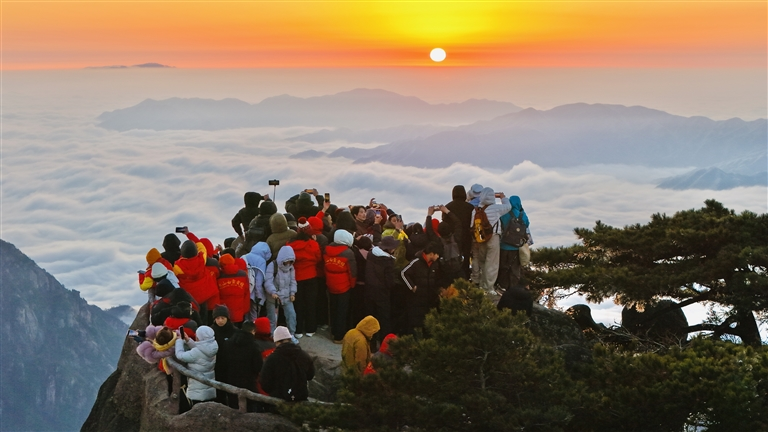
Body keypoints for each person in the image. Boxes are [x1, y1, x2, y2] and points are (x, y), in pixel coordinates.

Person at [470, 187, 511, 295]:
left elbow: (472, 226)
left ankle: (482, 285)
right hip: (493, 237)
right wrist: (503, 197)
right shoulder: (496, 208)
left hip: (480, 239)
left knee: (482, 262)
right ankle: (488, 287)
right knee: (492, 263)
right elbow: (508, 207)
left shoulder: (476, 210)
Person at [259, 326, 315, 403]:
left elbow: (264, 383)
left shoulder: (272, 359)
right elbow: (310, 375)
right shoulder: (304, 355)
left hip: (278, 401)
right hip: (300, 399)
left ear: (277, 342)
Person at [287, 218, 322, 338]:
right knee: (311, 303)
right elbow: (318, 259)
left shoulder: (290, 245)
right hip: (311, 276)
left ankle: (298, 330)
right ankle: (310, 328)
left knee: (298, 304)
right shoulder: (313, 244)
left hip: (295, 277)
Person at [401, 241, 445, 335]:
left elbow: (437, 279)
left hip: (429, 300)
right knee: (415, 325)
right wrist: (413, 287)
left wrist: (439, 289)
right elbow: (403, 273)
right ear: (432, 254)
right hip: (416, 301)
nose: (438, 257)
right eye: (438, 254)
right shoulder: (416, 262)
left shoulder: (435, 264)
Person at [219, 321, 263, 411]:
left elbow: (223, 362)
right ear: (253, 331)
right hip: (248, 382)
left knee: (233, 408)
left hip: (231, 381)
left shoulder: (229, 342)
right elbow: (258, 366)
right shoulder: (254, 346)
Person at [364, 235, 399, 346]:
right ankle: (385, 344)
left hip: (369, 291)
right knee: (384, 320)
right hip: (382, 294)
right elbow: (390, 282)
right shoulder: (388, 261)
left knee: (371, 318)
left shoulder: (370, 254)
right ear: (389, 249)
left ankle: (372, 344)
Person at [324, 229, 357, 343]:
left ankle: (333, 332)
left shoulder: (326, 250)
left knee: (333, 308)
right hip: (344, 286)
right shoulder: (348, 253)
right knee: (342, 311)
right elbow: (352, 272)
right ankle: (339, 336)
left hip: (330, 284)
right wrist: (352, 285)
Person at [174, 325, 218, 407]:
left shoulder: (196, 353)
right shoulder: (212, 347)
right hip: (209, 385)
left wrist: (179, 341)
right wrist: (188, 340)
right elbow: (200, 350)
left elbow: (180, 355)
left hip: (197, 389)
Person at [498, 196, 530, 290]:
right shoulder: (522, 215)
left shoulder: (505, 213)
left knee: (503, 267)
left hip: (504, 245)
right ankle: (514, 288)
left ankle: (502, 286)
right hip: (516, 246)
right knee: (515, 268)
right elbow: (527, 224)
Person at [264, 246, 298, 337]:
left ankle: (291, 334)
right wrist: (273, 292)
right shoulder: (273, 265)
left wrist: (292, 293)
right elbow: (268, 281)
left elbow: (293, 281)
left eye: (290, 260)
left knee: (291, 315)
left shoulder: (291, 267)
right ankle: (273, 336)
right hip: (273, 297)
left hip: (287, 296)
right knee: (272, 319)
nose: (288, 262)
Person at [445, 185, 475, 279]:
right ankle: (465, 279)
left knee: (453, 258)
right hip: (467, 237)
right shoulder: (470, 207)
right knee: (466, 258)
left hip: (453, 237)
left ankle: (453, 280)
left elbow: (445, 222)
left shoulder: (448, 206)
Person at [217, 254, 250, 326]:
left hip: (223, 313)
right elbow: (246, 292)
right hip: (239, 310)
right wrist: (245, 309)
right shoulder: (243, 274)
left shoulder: (219, 275)